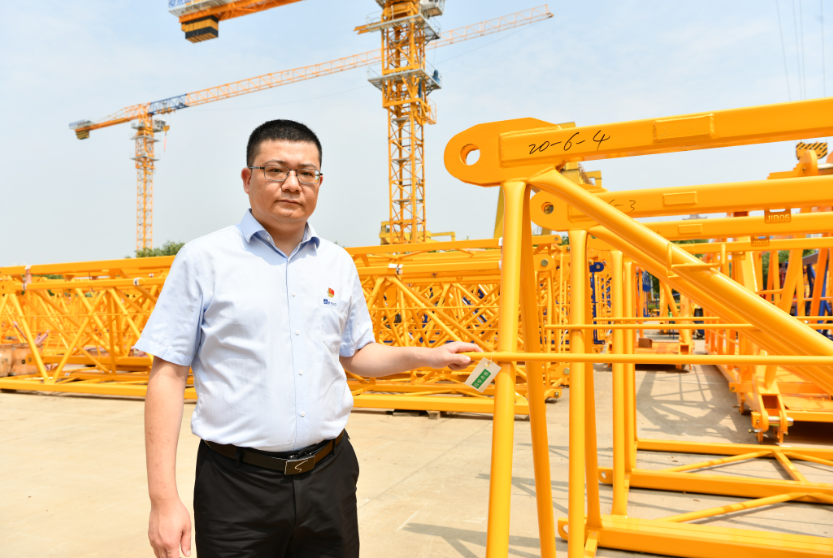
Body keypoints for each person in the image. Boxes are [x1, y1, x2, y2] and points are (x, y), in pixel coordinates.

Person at [138, 119, 480, 558]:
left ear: (320, 182)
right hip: (236, 487)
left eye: (306, 173)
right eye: (275, 170)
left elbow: (356, 353)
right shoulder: (203, 259)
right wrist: (163, 500)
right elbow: (168, 374)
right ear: (247, 179)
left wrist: (428, 356)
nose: (292, 184)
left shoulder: (337, 262)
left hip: (329, 478)